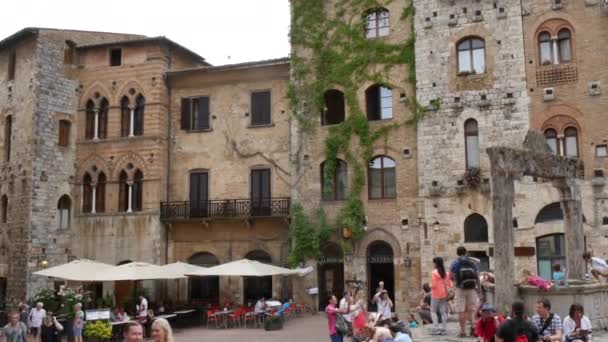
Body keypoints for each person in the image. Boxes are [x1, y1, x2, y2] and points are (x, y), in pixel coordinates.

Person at [450, 246, 479, 337]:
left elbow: (450, 276)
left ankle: (462, 331)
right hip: (471, 288)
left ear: (457, 253)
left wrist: (456, 280)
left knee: (461, 310)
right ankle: (473, 328)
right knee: (472, 309)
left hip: (460, 288)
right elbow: (477, 275)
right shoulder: (472, 262)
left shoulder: (455, 263)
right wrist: (478, 289)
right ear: (466, 252)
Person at [431, 256, 452, 335]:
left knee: (433, 311)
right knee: (443, 312)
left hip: (435, 294)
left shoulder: (434, 272)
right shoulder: (446, 273)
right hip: (444, 294)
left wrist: (430, 286)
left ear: (436, 263)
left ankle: (436, 328)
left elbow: (433, 285)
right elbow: (449, 284)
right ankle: (443, 329)